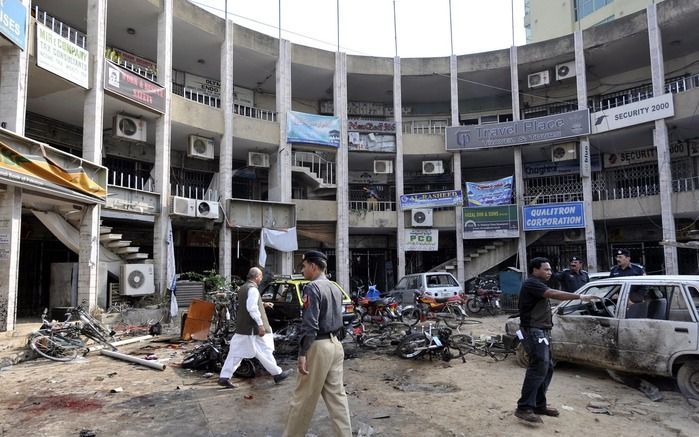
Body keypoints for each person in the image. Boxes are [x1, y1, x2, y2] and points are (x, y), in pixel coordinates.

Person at [515, 257, 599, 424]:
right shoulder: (532, 283)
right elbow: (553, 293)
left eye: (550, 269)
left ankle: (539, 404)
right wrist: (581, 296)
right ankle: (524, 407)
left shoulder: (539, 284)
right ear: (535, 270)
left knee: (547, 368)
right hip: (533, 331)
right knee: (538, 367)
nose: (550, 272)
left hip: (542, 331)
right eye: (546, 269)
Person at [283, 250, 352, 437]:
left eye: (304, 266)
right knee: (337, 399)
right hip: (336, 345)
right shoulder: (335, 287)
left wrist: (302, 353)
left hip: (318, 346)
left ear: (313, 266)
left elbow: (310, 324)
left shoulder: (312, 288)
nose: (303, 270)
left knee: (303, 399)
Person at [218, 267, 290, 388]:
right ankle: (277, 374)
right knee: (263, 351)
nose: (261, 279)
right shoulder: (253, 290)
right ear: (257, 277)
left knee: (237, 353)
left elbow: (249, 304)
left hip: (244, 328)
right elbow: (251, 308)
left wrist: (263, 304)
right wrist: (260, 325)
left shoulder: (243, 288)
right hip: (252, 329)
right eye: (261, 277)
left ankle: (224, 377)